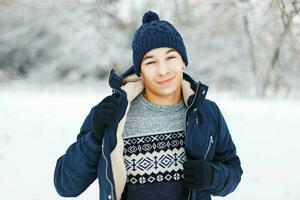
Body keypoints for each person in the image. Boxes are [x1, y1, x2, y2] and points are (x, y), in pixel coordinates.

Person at [54, 10, 243, 200]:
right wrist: (94, 138)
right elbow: (66, 185)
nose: (163, 70)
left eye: (170, 58)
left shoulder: (206, 113)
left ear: (183, 62)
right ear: (140, 72)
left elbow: (233, 170)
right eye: (151, 62)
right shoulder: (113, 114)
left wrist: (212, 176)